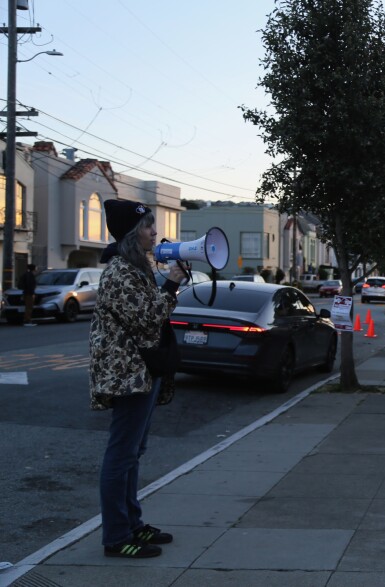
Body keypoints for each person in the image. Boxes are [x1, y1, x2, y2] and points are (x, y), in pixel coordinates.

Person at [90, 199, 186, 559]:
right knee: (121, 454)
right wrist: (172, 285)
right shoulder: (119, 272)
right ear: (133, 233)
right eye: (148, 226)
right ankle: (116, 537)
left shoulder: (136, 269)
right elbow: (147, 319)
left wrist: (168, 282)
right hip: (127, 373)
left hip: (142, 370)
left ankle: (132, 523)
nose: (155, 232)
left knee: (133, 452)